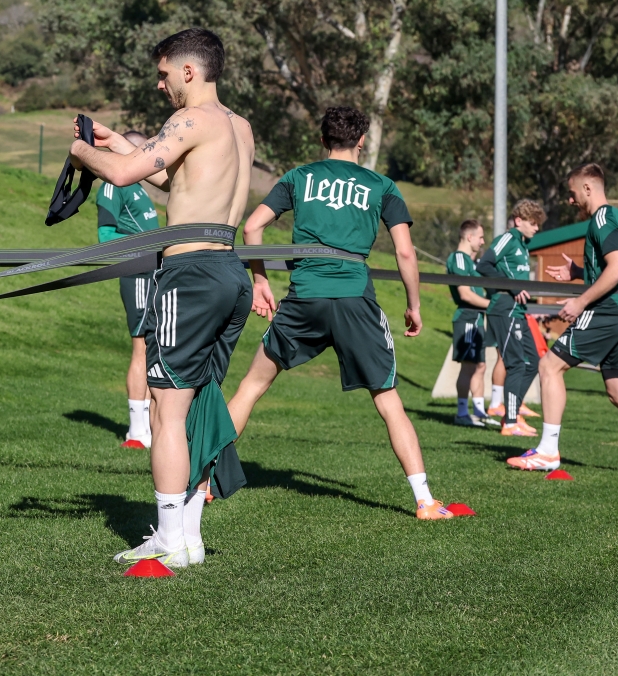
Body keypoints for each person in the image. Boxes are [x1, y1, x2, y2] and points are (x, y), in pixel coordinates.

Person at [68, 28, 254, 569]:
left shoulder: (189, 118)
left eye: (164, 73)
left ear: (189, 72)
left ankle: (169, 538)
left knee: (165, 407)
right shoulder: (237, 126)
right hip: (228, 270)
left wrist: (81, 152)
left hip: (190, 273)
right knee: (198, 404)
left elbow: (126, 177)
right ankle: (189, 537)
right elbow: (184, 183)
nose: (160, 85)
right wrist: (117, 143)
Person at [225, 106, 457, 521]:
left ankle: (203, 481)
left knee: (250, 387)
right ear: (362, 140)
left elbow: (251, 228)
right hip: (355, 301)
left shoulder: (297, 178)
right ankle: (425, 501)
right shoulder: (382, 185)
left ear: (323, 139)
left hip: (304, 299)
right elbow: (405, 251)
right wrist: (414, 305)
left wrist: (260, 281)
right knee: (388, 399)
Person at [507, 163, 618, 479]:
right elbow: (617, 266)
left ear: (588, 188)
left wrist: (580, 300)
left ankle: (547, 451)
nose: (571, 201)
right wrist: (578, 273)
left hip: (607, 310)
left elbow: (616, 269)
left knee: (549, 366)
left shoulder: (601, 219)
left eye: (572, 193)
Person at [95, 130, 161, 448]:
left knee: (154, 347)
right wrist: (139, 255)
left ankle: (149, 426)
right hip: (136, 275)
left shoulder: (139, 188)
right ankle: (136, 433)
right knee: (142, 348)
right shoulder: (113, 186)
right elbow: (106, 236)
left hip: (156, 273)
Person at [477, 199, 546, 436]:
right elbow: (484, 264)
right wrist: (512, 288)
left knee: (534, 362)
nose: (537, 228)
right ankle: (510, 423)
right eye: (533, 223)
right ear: (519, 221)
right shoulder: (508, 238)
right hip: (503, 308)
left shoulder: (523, 245)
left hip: (519, 311)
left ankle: (512, 414)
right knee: (516, 363)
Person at [448, 220, 497, 427]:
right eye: (480, 237)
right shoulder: (458, 258)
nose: (483, 241)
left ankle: (478, 412)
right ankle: (461, 413)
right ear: (469, 237)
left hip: (476, 318)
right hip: (467, 317)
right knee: (469, 367)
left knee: (480, 366)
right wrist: (494, 306)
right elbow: (465, 294)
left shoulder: (469, 261)